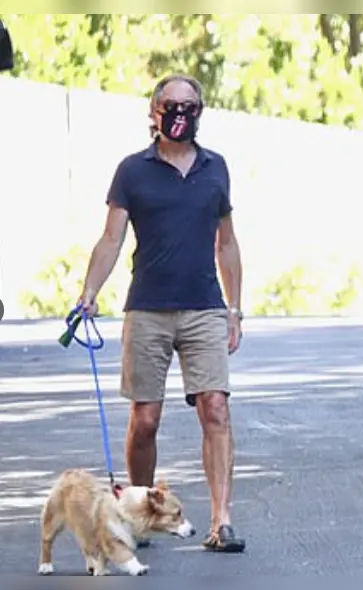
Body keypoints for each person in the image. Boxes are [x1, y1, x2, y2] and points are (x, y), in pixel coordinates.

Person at [78, 73, 247, 551]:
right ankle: (140, 512)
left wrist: (235, 309)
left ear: (200, 112)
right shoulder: (132, 171)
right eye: (171, 105)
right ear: (153, 112)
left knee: (216, 408)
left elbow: (227, 243)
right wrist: (89, 290)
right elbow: (111, 239)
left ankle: (221, 522)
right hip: (148, 308)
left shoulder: (216, 168)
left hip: (204, 307)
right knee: (146, 419)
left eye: (189, 106)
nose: (180, 114)